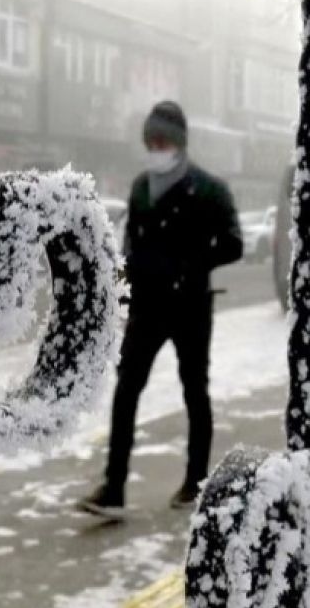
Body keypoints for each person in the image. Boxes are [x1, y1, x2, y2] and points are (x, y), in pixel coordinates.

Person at [78, 100, 243, 520]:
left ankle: (195, 481)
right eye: (150, 142)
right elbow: (131, 243)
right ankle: (113, 488)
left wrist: (190, 265)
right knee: (126, 390)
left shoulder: (209, 189)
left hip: (190, 307)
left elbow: (233, 243)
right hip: (147, 308)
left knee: (194, 391)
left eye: (162, 142)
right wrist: (124, 291)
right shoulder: (140, 187)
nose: (156, 149)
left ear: (180, 143)